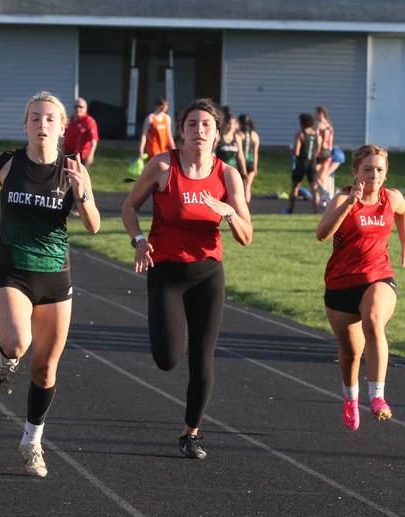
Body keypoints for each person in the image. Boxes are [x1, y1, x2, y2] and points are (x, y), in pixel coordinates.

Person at [0, 91, 100, 477]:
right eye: (35, 118)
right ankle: (6, 355)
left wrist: (81, 190)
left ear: (62, 126)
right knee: (18, 341)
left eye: (50, 118)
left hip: (55, 277)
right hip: (12, 270)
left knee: (46, 371)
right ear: (25, 124)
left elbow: (93, 224)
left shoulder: (73, 169)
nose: (42, 124)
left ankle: (32, 440)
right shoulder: (6, 163)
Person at [121, 98, 252, 459]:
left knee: (203, 359)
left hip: (208, 273)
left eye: (207, 125)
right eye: (192, 124)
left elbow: (246, 235)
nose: (199, 131)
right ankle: (187, 422)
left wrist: (228, 212)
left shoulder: (227, 175)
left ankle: (191, 433)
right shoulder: (163, 165)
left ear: (218, 133)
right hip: (166, 272)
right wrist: (138, 240)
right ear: (181, 130)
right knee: (168, 358)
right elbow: (129, 206)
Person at [315, 144, 405, 431]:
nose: (374, 175)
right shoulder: (343, 198)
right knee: (350, 354)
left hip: (378, 276)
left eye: (380, 169)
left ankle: (378, 397)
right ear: (356, 171)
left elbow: (404, 211)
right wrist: (348, 206)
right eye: (368, 169)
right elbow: (322, 234)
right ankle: (350, 398)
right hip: (341, 285)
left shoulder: (391, 197)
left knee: (373, 320)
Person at [286, 113, 322, 214]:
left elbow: (296, 151)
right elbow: (317, 151)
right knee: (314, 188)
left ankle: (290, 210)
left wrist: (292, 151)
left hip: (301, 163)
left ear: (302, 123)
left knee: (295, 186)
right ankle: (316, 210)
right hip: (312, 163)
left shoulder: (300, 134)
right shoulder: (317, 136)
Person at [63, 97, 99, 166]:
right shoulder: (70, 120)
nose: (78, 109)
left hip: (81, 156)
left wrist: (91, 155)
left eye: (81, 107)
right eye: (76, 107)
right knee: (66, 175)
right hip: (68, 154)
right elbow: (64, 136)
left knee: (79, 176)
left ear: (86, 108)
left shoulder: (89, 121)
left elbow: (93, 140)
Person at [138, 96, 176, 161]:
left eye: (167, 106)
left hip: (164, 147)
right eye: (164, 106)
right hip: (153, 147)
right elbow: (144, 135)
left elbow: (169, 135)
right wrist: (141, 149)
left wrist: (173, 148)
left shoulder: (167, 118)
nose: (166, 108)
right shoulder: (150, 118)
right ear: (158, 106)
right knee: (156, 165)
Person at [215, 114, 246, 178]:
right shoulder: (219, 137)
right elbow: (212, 153)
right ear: (225, 124)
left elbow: (241, 155)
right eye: (229, 123)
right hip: (220, 171)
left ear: (236, 125)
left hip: (234, 171)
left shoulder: (237, 138)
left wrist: (244, 170)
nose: (231, 126)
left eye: (233, 124)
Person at [238, 114, 260, 203]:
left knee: (243, 186)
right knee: (248, 187)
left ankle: (243, 204)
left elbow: (240, 153)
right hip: (251, 162)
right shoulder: (254, 135)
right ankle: (246, 202)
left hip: (242, 163)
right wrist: (255, 166)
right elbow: (255, 153)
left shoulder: (239, 134)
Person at [316, 106, 336, 202]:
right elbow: (331, 141)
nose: (316, 116)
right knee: (323, 176)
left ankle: (326, 194)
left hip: (321, 152)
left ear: (321, 114)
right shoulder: (329, 125)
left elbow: (318, 140)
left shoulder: (320, 125)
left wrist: (317, 152)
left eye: (317, 113)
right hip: (328, 152)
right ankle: (325, 195)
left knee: (318, 177)